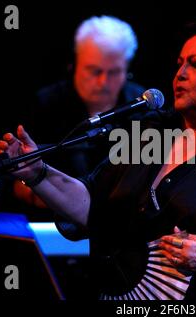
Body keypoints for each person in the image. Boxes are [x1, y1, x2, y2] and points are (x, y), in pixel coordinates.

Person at [0, 22, 196, 300]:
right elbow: (93, 206)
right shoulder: (154, 131)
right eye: (180, 63)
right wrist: (37, 173)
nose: (180, 74)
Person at [13, 15, 145, 209]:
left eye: (114, 72)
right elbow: (18, 183)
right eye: (94, 71)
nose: (103, 82)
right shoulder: (46, 104)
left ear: (127, 69)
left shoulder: (142, 108)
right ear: (74, 65)